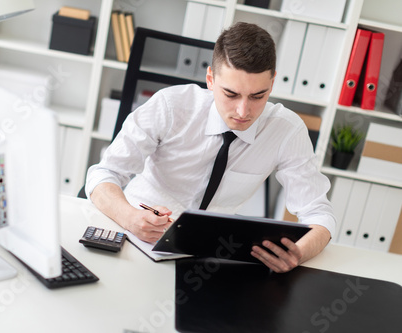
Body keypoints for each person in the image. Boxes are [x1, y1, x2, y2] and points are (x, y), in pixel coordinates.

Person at [85, 22, 335, 273]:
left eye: (257, 96)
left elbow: (319, 214)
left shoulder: (287, 131)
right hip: (136, 238)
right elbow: (103, 174)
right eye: (231, 94)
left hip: (207, 257)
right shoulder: (171, 106)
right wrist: (131, 218)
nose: (243, 111)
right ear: (210, 80)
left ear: (271, 85)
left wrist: (299, 253)